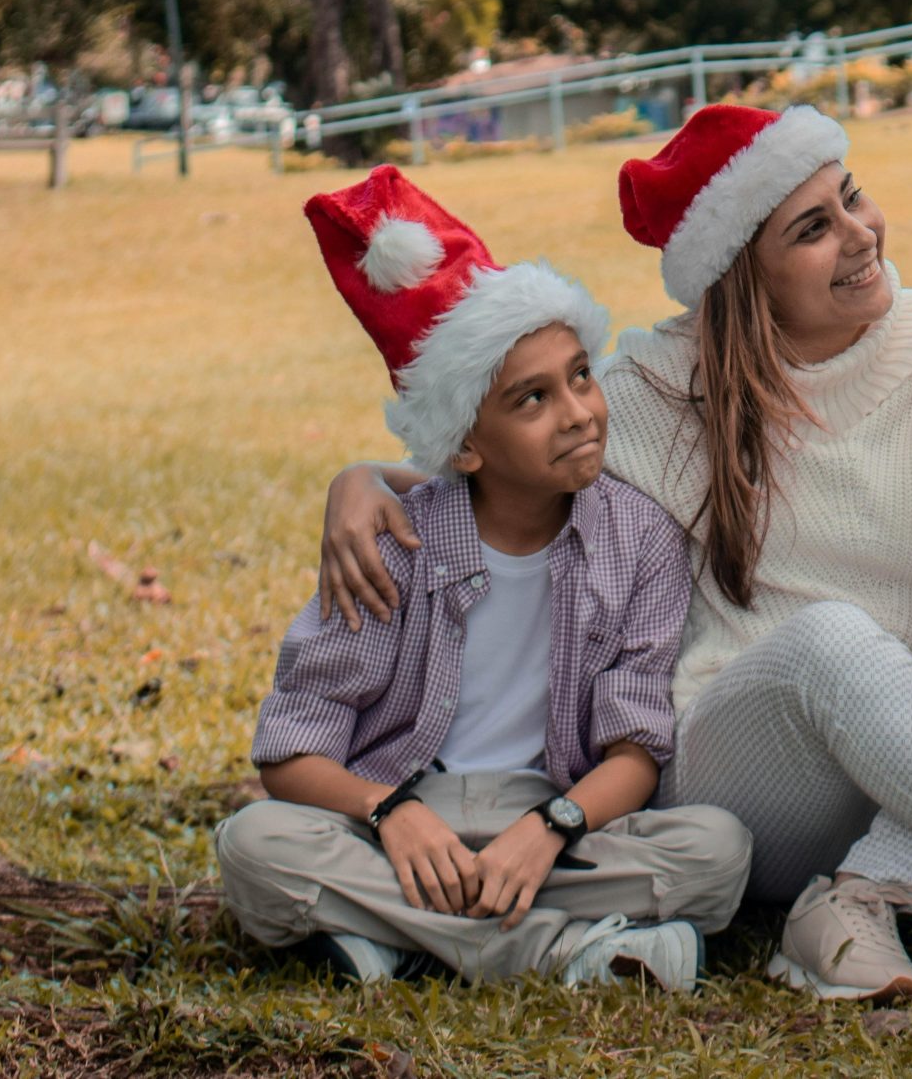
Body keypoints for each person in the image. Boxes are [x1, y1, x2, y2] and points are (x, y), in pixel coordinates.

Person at [315, 106, 912, 1006]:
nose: (861, 235)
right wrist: (367, 477)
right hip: (754, 770)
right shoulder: (657, 392)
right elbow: (506, 466)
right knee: (835, 638)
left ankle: (864, 892)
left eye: (852, 197)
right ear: (743, 275)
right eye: (813, 229)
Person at [216, 167, 748, 991]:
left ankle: (397, 941)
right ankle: (559, 952)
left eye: (580, 374)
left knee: (716, 851)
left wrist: (550, 827)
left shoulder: (638, 539)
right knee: (254, 844)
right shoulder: (393, 541)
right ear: (466, 445)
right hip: (403, 811)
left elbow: (637, 748)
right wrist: (391, 813)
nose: (577, 410)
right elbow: (288, 749)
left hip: (549, 821)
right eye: (531, 399)